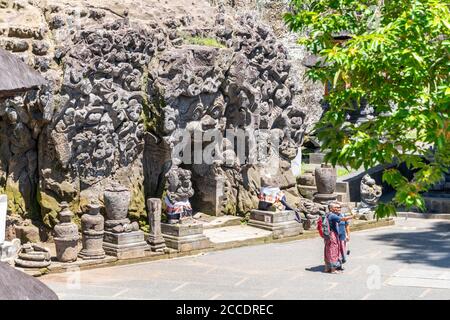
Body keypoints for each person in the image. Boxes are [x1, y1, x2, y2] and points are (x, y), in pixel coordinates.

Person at [324, 202, 353, 274]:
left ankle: (328, 268)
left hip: (330, 236)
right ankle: (333, 269)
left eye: (339, 207)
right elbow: (343, 219)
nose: (338, 209)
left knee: (329, 251)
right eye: (336, 207)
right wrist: (353, 216)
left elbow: (345, 224)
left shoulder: (328, 215)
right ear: (331, 208)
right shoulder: (332, 215)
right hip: (332, 235)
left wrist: (347, 235)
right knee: (334, 251)